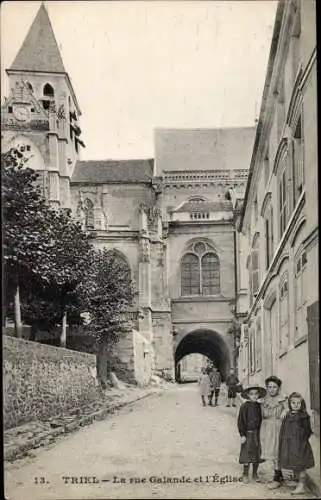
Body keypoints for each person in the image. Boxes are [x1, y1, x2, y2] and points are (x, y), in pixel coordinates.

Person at [278, 392, 315, 495]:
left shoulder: (303, 416)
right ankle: (297, 481)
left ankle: (301, 485)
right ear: (290, 403)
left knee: (301, 464)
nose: (295, 405)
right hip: (290, 444)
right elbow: (284, 429)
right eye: (293, 403)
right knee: (295, 463)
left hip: (300, 444)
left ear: (301, 404)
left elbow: (308, 431)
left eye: (298, 403)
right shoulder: (288, 414)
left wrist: (301, 441)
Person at [261, 375, 287, 489]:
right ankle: (278, 475)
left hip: (278, 427)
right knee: (271, 453)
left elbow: (288, 408)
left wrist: (285, 411)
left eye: (274, 387)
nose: (272, 389)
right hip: (267, 428)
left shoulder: (282, 399)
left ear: (278, 388)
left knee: (277, 452)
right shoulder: (264, 399)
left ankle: (277, 478)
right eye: (269, 387)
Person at [238, 385, 266, 484]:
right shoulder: (244, 406)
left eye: (256, 394)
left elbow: (263, 419)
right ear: (248, 395)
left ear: (258, 395)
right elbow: (240, 421)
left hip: (257, 434)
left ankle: (255, 473)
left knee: (256, 454)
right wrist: (242, 435)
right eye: (251, 394)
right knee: (246, 454)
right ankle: (245, 474)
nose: (254, 396)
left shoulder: (259, 407)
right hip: (248, 434)